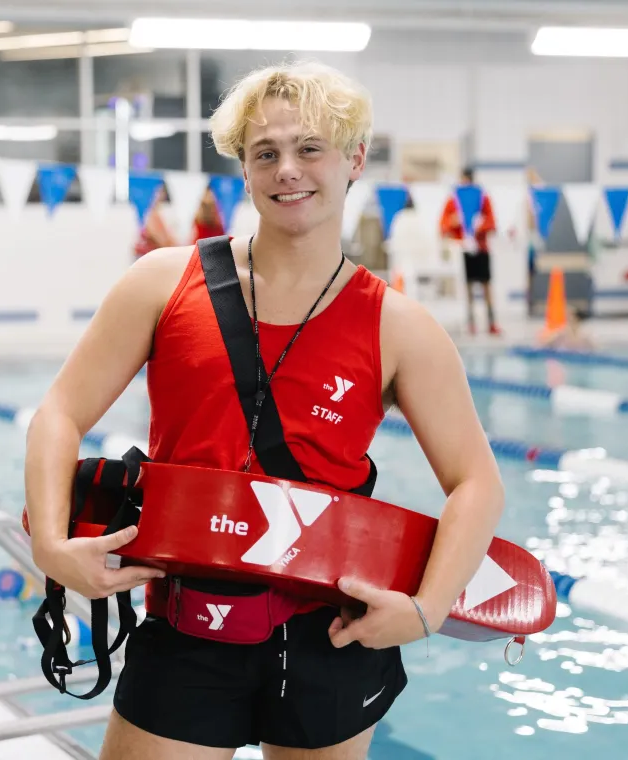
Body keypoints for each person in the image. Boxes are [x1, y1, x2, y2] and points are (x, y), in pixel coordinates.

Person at [25, 60, 505, 760]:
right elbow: (59, 412)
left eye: (310, 148)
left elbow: (477, 482)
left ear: (354, 160)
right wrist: (51, 548)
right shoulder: (164, 282)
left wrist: (427, 610)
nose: (289, 170)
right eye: (266, 153)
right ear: (244, 171)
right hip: (187, 621)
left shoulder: (398, 327)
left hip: (332, 631)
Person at [441, 168, 500, 335]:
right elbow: (443, 226)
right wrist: (454, 222)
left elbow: (492, 222)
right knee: (467, 287)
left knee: (486, 286)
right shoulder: (453, 201)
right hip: (463, 249)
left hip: (481, 248)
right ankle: (471, 323)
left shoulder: (482, 198)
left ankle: (491, 323)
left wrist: (479, 226)